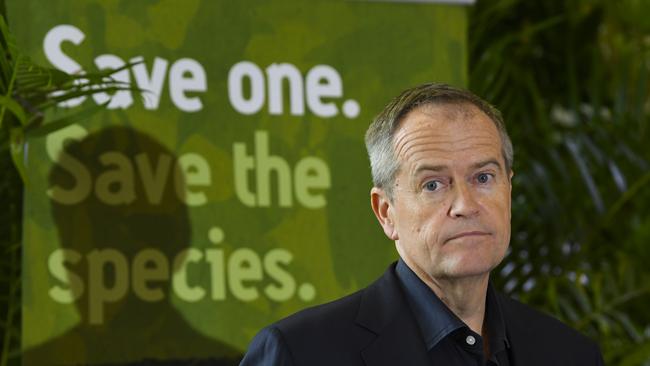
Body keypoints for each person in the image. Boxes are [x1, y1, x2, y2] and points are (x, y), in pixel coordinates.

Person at [239, 83, 604, 366]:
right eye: (433, 184)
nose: (465, 205)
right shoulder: (301, 354)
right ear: (386, 212)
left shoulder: (570, 354)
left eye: (483, 178)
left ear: (509, 188)